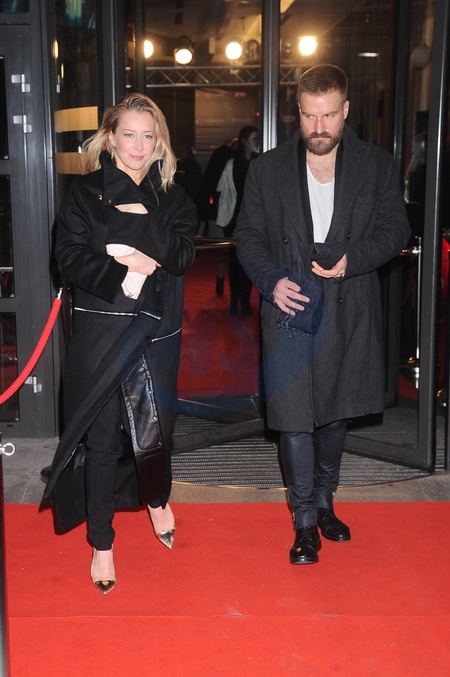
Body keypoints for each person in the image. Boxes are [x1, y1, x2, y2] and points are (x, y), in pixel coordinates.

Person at [235, 64, 410, 565]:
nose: (318, 127)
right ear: (298, 111)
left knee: (335, 411)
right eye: (310, 116)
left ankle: (326, 502)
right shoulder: (267, 169)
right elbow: (248, 237)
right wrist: (271, 281)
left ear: (346, 109)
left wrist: (353, 259)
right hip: (290, 304)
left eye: (329, 115)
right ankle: (305, 521)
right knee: (293, 418)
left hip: (350, 303)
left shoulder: (376, 166)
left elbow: (396, 229)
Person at [42, 93, 197, 593]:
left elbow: (182, 256)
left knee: (157, 432)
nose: (138, 145)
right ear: (110, 137)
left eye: (148, 136)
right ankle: (102, 542)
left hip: (155, 334)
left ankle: (156, 498)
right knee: (103, 440)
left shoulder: (173, 196)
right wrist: (125, 266)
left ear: (160, 142)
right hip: (102, 334)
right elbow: (68, 259)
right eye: (128, 134)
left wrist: (139, 220)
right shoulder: (84, 194)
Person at [216, 125, 259, 314]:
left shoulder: (258, 163)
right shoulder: (233, 164)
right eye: (254, 138)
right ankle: (235, 300)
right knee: (235, 261)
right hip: (234, 219)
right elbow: (222, 190)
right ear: (244, 141)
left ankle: (245, 301)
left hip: (252, 219)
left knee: (248, 260)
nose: (257, 142)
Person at [195, 138, 238, 294]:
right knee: (229, 250)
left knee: (222, 249)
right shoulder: (234, 160)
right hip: (227, 210)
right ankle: (228, 284)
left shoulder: (218, 156)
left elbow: (209, 185)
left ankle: (220, 280)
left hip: (217, 210)